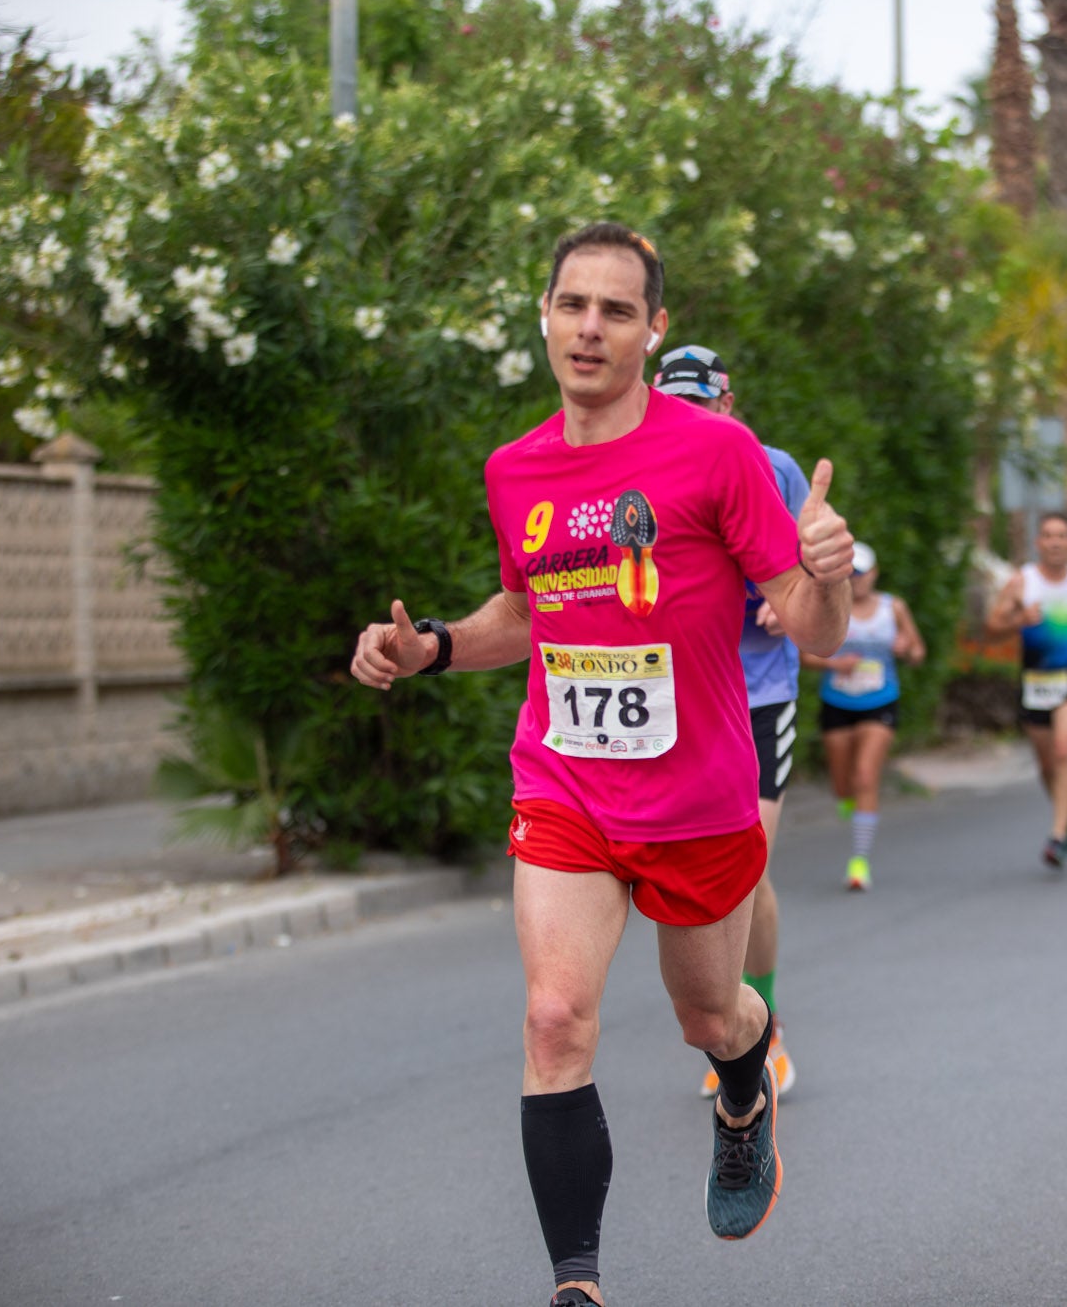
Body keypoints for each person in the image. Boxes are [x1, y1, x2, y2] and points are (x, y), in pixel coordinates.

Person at [349, 223, 854, 1307]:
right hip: (566, 784)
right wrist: (429, 645)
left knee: (709, 1017)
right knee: (552, 1018)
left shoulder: (716, 454)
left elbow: (808, 630)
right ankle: (577, 1287)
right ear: (544, 315)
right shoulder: (514, 468)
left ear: (651, 327)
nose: (590, 327)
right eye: (572, 304)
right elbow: (524, 617)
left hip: (697, 793)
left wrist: (832, 574)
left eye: (616, 310)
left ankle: (739, 1092)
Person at [649, 344, 805, 1105]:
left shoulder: (773, 470)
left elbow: (813, 562)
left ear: (729, 405)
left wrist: (792, 593)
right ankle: (732, 1022)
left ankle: (761, 1028)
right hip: (681, 702)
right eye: (676, 407)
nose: (692, 421)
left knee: (751, 867)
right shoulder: (638, 471)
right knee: (703, 880)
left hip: (759, 692)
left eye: (704, 406)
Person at [986, 512, 1067, 869]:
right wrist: (1018, 620)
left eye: (1062, 535)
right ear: (1038, 543)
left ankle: (1057, 835)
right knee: (1046, 765)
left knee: (1062, 749)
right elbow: (992, 626)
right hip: (1035, 683)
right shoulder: (1021, 583)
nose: (1055, 542)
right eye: (1048, 536)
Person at [803, 542, 925, 891]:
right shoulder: (827, 607)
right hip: (838, 702)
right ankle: (847, 800)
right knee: (843, 785)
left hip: (881, 701)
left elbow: (917, 651)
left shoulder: (893, 608)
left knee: (865, 775)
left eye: (862, 573)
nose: (856, 580)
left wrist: (907, 650)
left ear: (874, 574)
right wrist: (834, 663)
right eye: (850, 573)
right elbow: (803, 656)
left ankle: (859, 862)